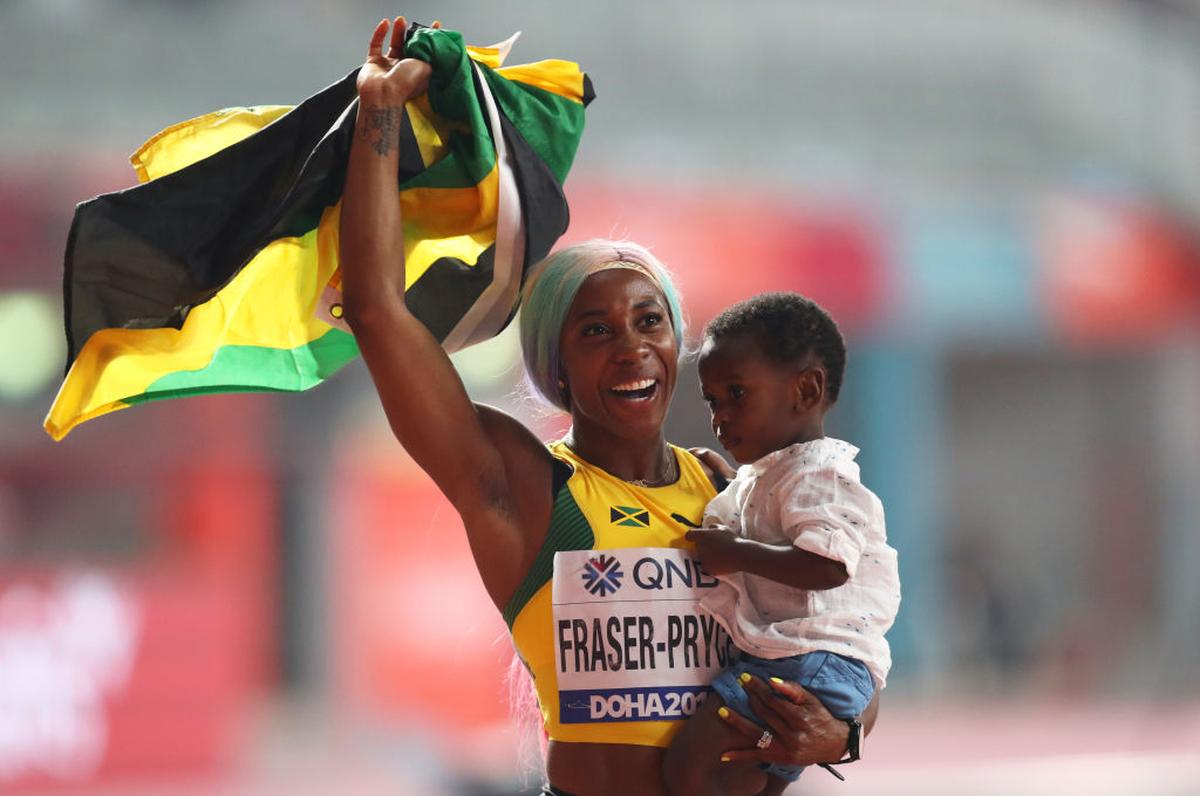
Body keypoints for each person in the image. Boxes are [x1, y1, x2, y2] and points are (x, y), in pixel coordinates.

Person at [339, 17, 878, 796]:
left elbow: (844, 638)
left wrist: (845, 733)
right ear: (556, 364)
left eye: (649, 321)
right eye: (597, 331)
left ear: (677, 342)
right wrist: (379, 115)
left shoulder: (731, 490)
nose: (631, 347)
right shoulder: (521, 486)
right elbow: (376, 309)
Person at [663, 293, 900, 795]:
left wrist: (733, 553)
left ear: (806, 390)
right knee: (749, 780)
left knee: (688, 769)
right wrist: (731, 484)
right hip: (810, 662)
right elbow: (770, 516)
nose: (720, 416)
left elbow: (827, 565)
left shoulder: (821, 476)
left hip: (807, 661)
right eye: (712, 400)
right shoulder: (776, 475)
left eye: (737, 393)